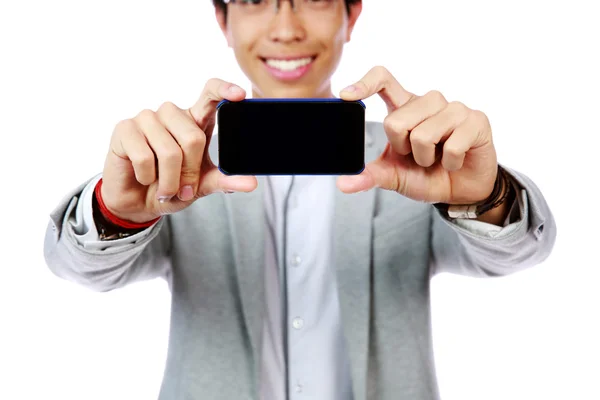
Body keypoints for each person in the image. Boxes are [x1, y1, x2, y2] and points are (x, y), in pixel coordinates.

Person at [43, 0, 557, 399]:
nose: (285, 29)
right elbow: (80, 269)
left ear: (351, 14)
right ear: (222, 21)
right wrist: (118, 211)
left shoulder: (414, 155)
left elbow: (521, 252)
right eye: (254, 1)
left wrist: (487, 196)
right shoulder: (180, 163)